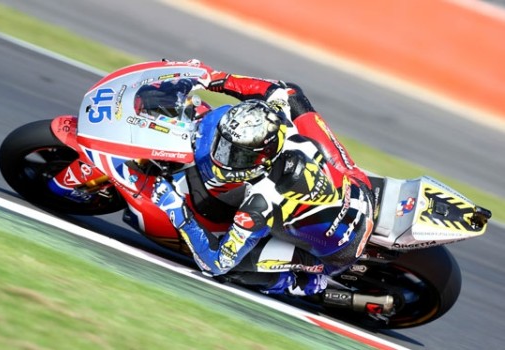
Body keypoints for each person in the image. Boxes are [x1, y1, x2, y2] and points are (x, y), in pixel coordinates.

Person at [143, 60, 378, 308]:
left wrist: (177, 211)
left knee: (230, 270)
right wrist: (215, 79)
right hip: (356, 185)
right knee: (295, 98)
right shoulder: (280, 122)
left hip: (339, 250)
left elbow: (216, 263)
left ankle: (305, 283)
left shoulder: (261, 201)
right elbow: (280, 90)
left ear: (262, 157)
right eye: (225, 146)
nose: (224, 157)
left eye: (237, 155)